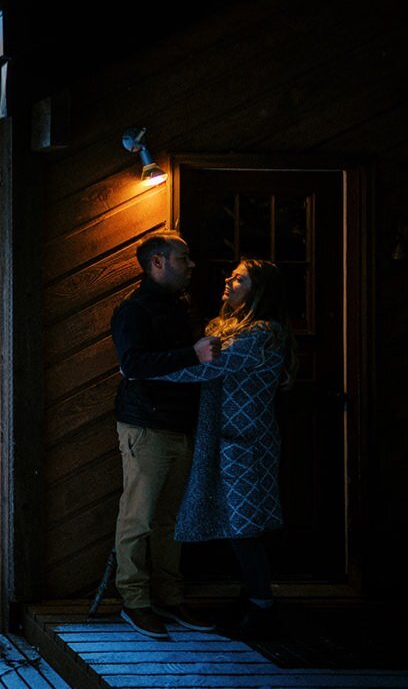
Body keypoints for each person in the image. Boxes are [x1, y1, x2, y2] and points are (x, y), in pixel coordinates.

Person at [132, 258, 295, 637]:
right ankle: (251, 597)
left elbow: (209, 367)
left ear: (259, 290)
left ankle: (262, 607)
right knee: (235, 520)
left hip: (246, 438)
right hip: (225, 436)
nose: (229, 280)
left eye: (239, 279)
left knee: (244, 526)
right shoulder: (227, 327)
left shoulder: (262, 334)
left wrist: (145, 368)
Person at [110, 231, 221, 639]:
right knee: (137, 518)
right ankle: (135, 602)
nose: (191, 264)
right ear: (158, 262)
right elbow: (133, 365)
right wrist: (191, 354)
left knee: (170, 520)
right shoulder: (133, 311)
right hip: (146, 426)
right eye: (183, 257)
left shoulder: (180, 306)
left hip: (179, 425)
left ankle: (169, 598)